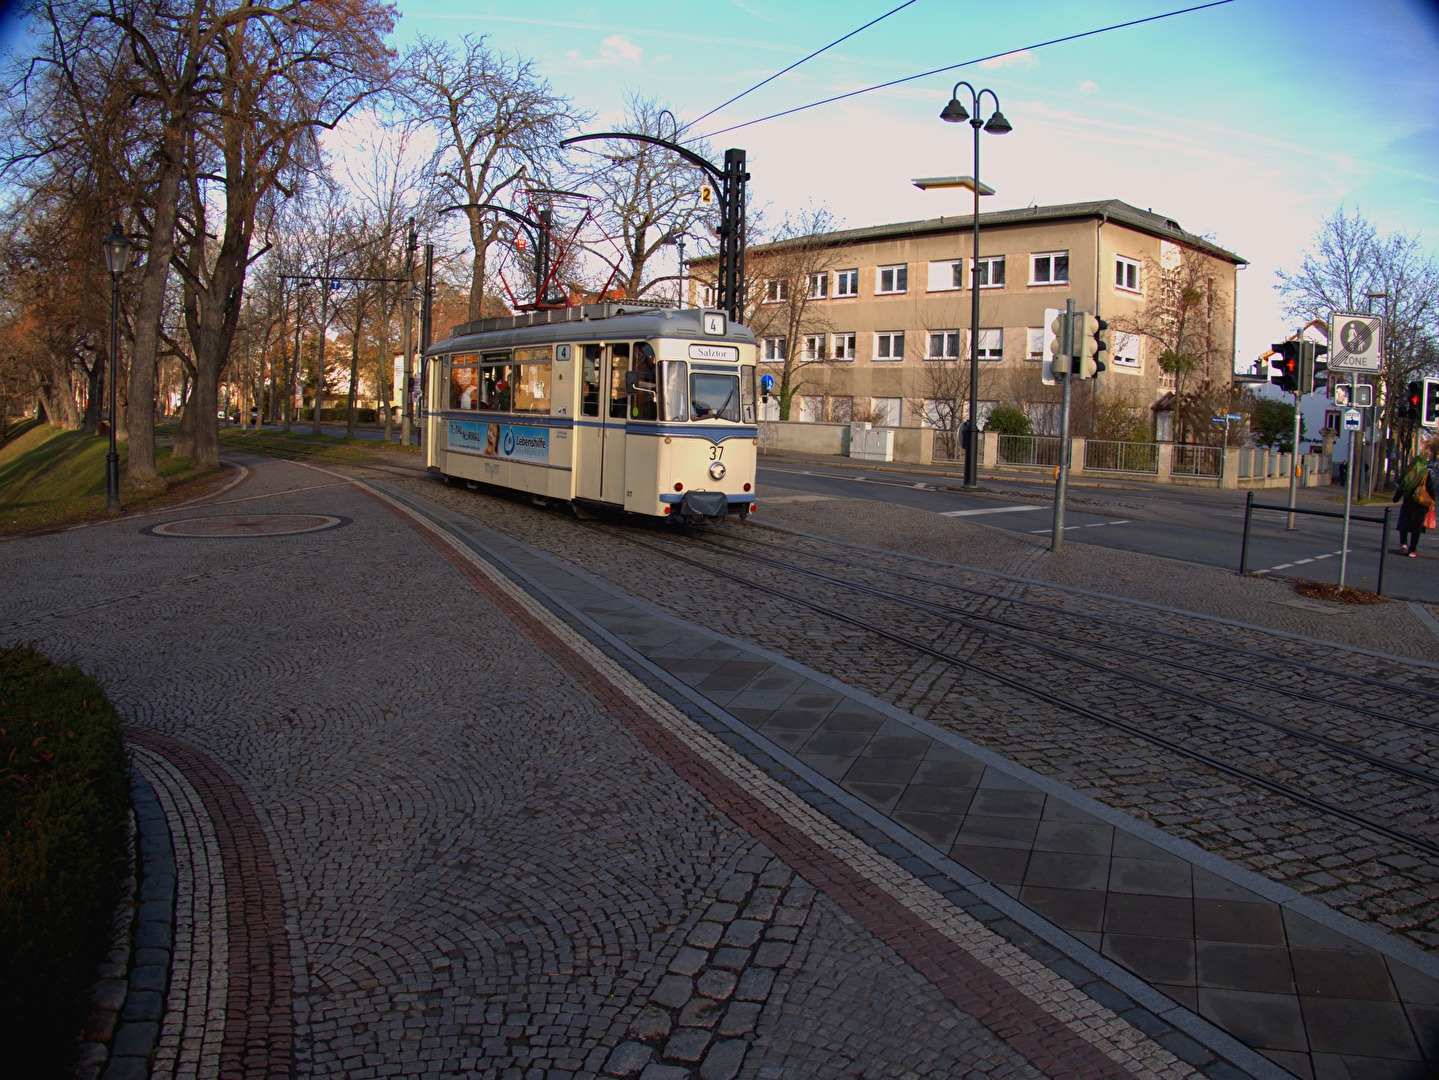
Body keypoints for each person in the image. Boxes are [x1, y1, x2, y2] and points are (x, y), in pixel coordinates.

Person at [1392, 448, 1437, 557]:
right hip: (1420, 504)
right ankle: (1412, 550)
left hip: (1408, 503)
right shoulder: (1425, 474)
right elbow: (1431, 490)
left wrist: (1396, 498)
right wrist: (1432, 503)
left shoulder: (1409, 472)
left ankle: (1403, 543)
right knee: (1416, 527)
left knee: (1404, 523)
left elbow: (1401, 487)